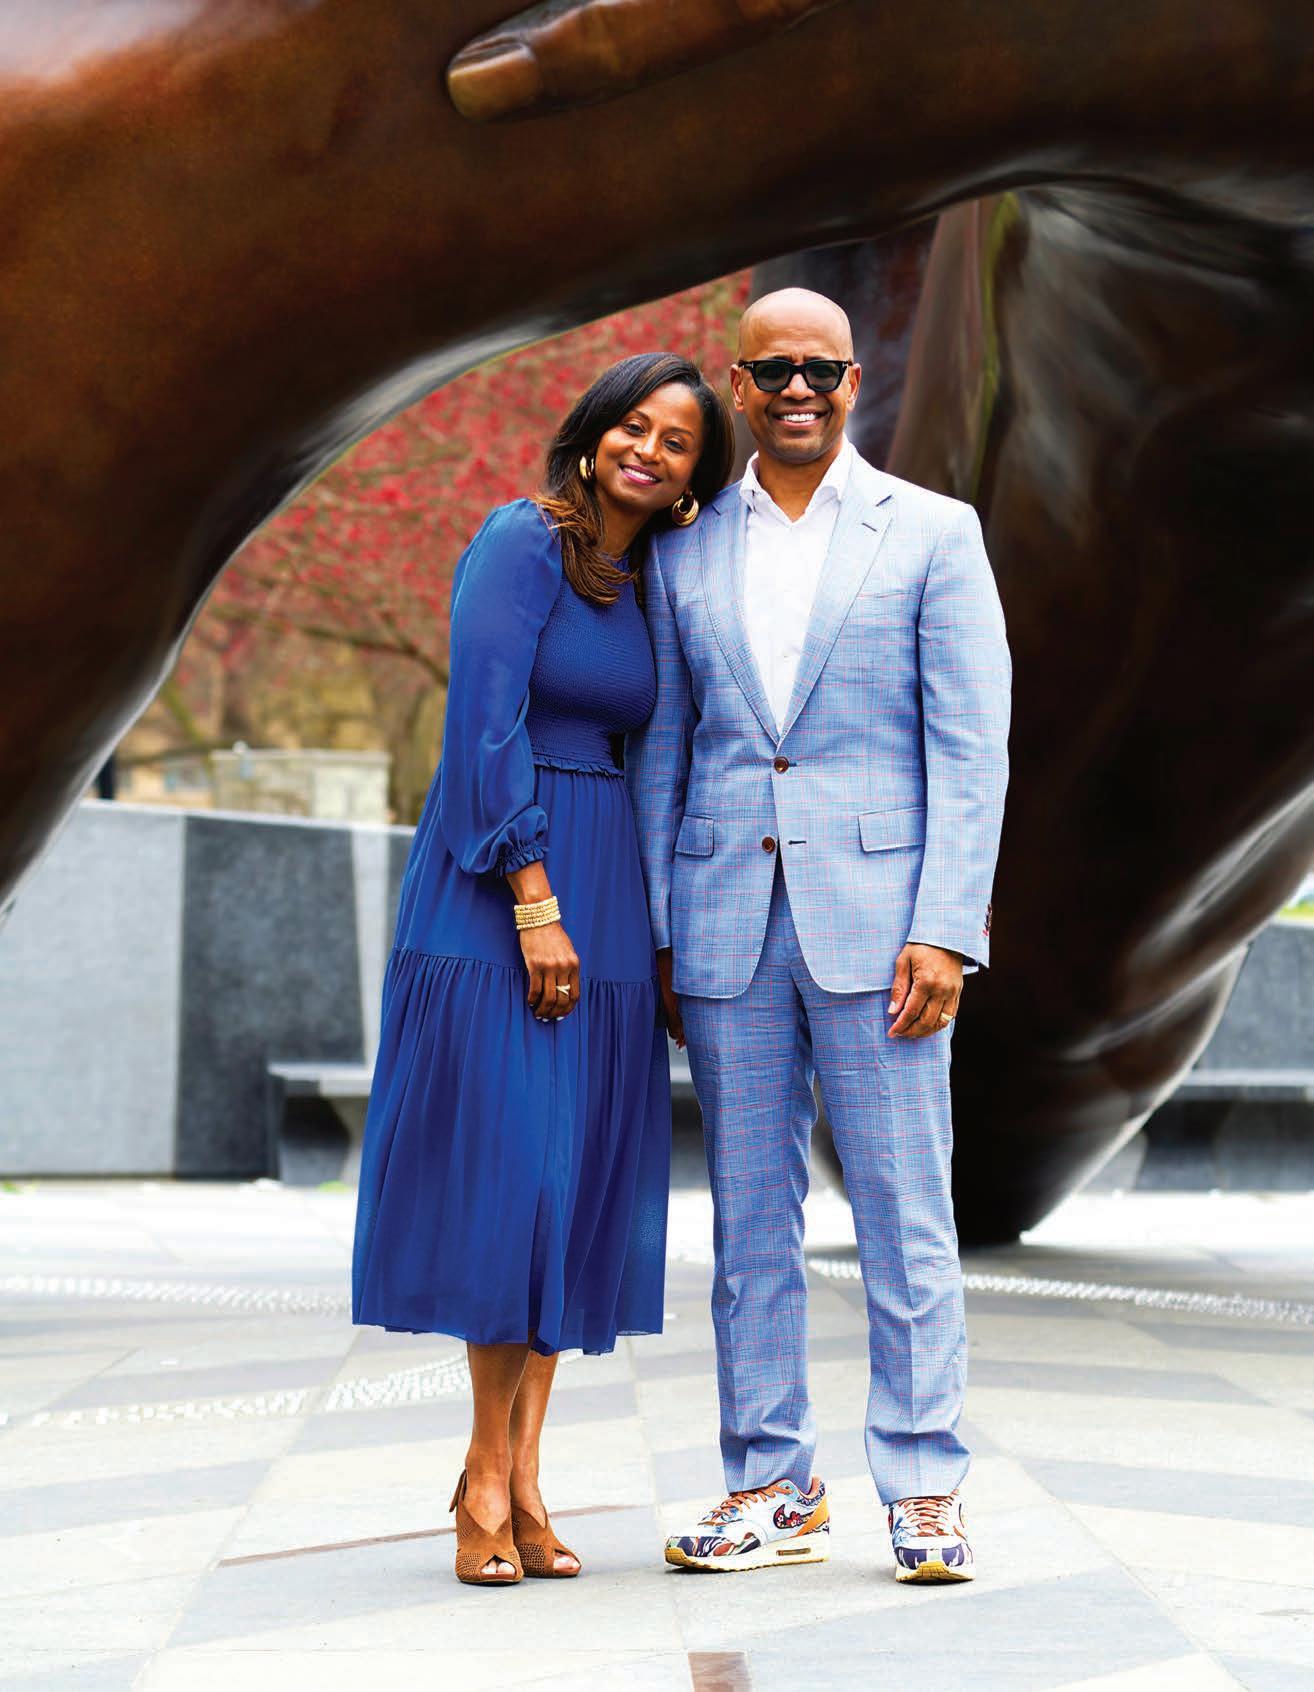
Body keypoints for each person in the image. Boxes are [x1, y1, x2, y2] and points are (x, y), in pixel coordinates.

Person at [626, 289, 1011, 1583]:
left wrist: (946, 928)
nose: (798, 387)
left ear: (855, 381)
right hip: (722, 930)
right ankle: (770, 1486)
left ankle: (924, 1486)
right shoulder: (681, 551)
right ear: (738, 385)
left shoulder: (935, 532)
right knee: (748, 1228)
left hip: (885, 930)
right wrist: (661, 933)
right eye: (773, 368)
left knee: (906, 1212)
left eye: (822, 369)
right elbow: (666, 751)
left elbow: (971, 748)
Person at [352, 352, 735, 1586]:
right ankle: (482, 1473)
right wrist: (533, 899)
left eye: (677, 441)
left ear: (695, 475)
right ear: (592, 432)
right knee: (516, 1175)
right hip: (500, 879)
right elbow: (483, 725)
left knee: (570, 1182)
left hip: (609, 881)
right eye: (635, 425)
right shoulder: (522, 540)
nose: (649, 450)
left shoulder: (657, 577)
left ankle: (525, 1478)